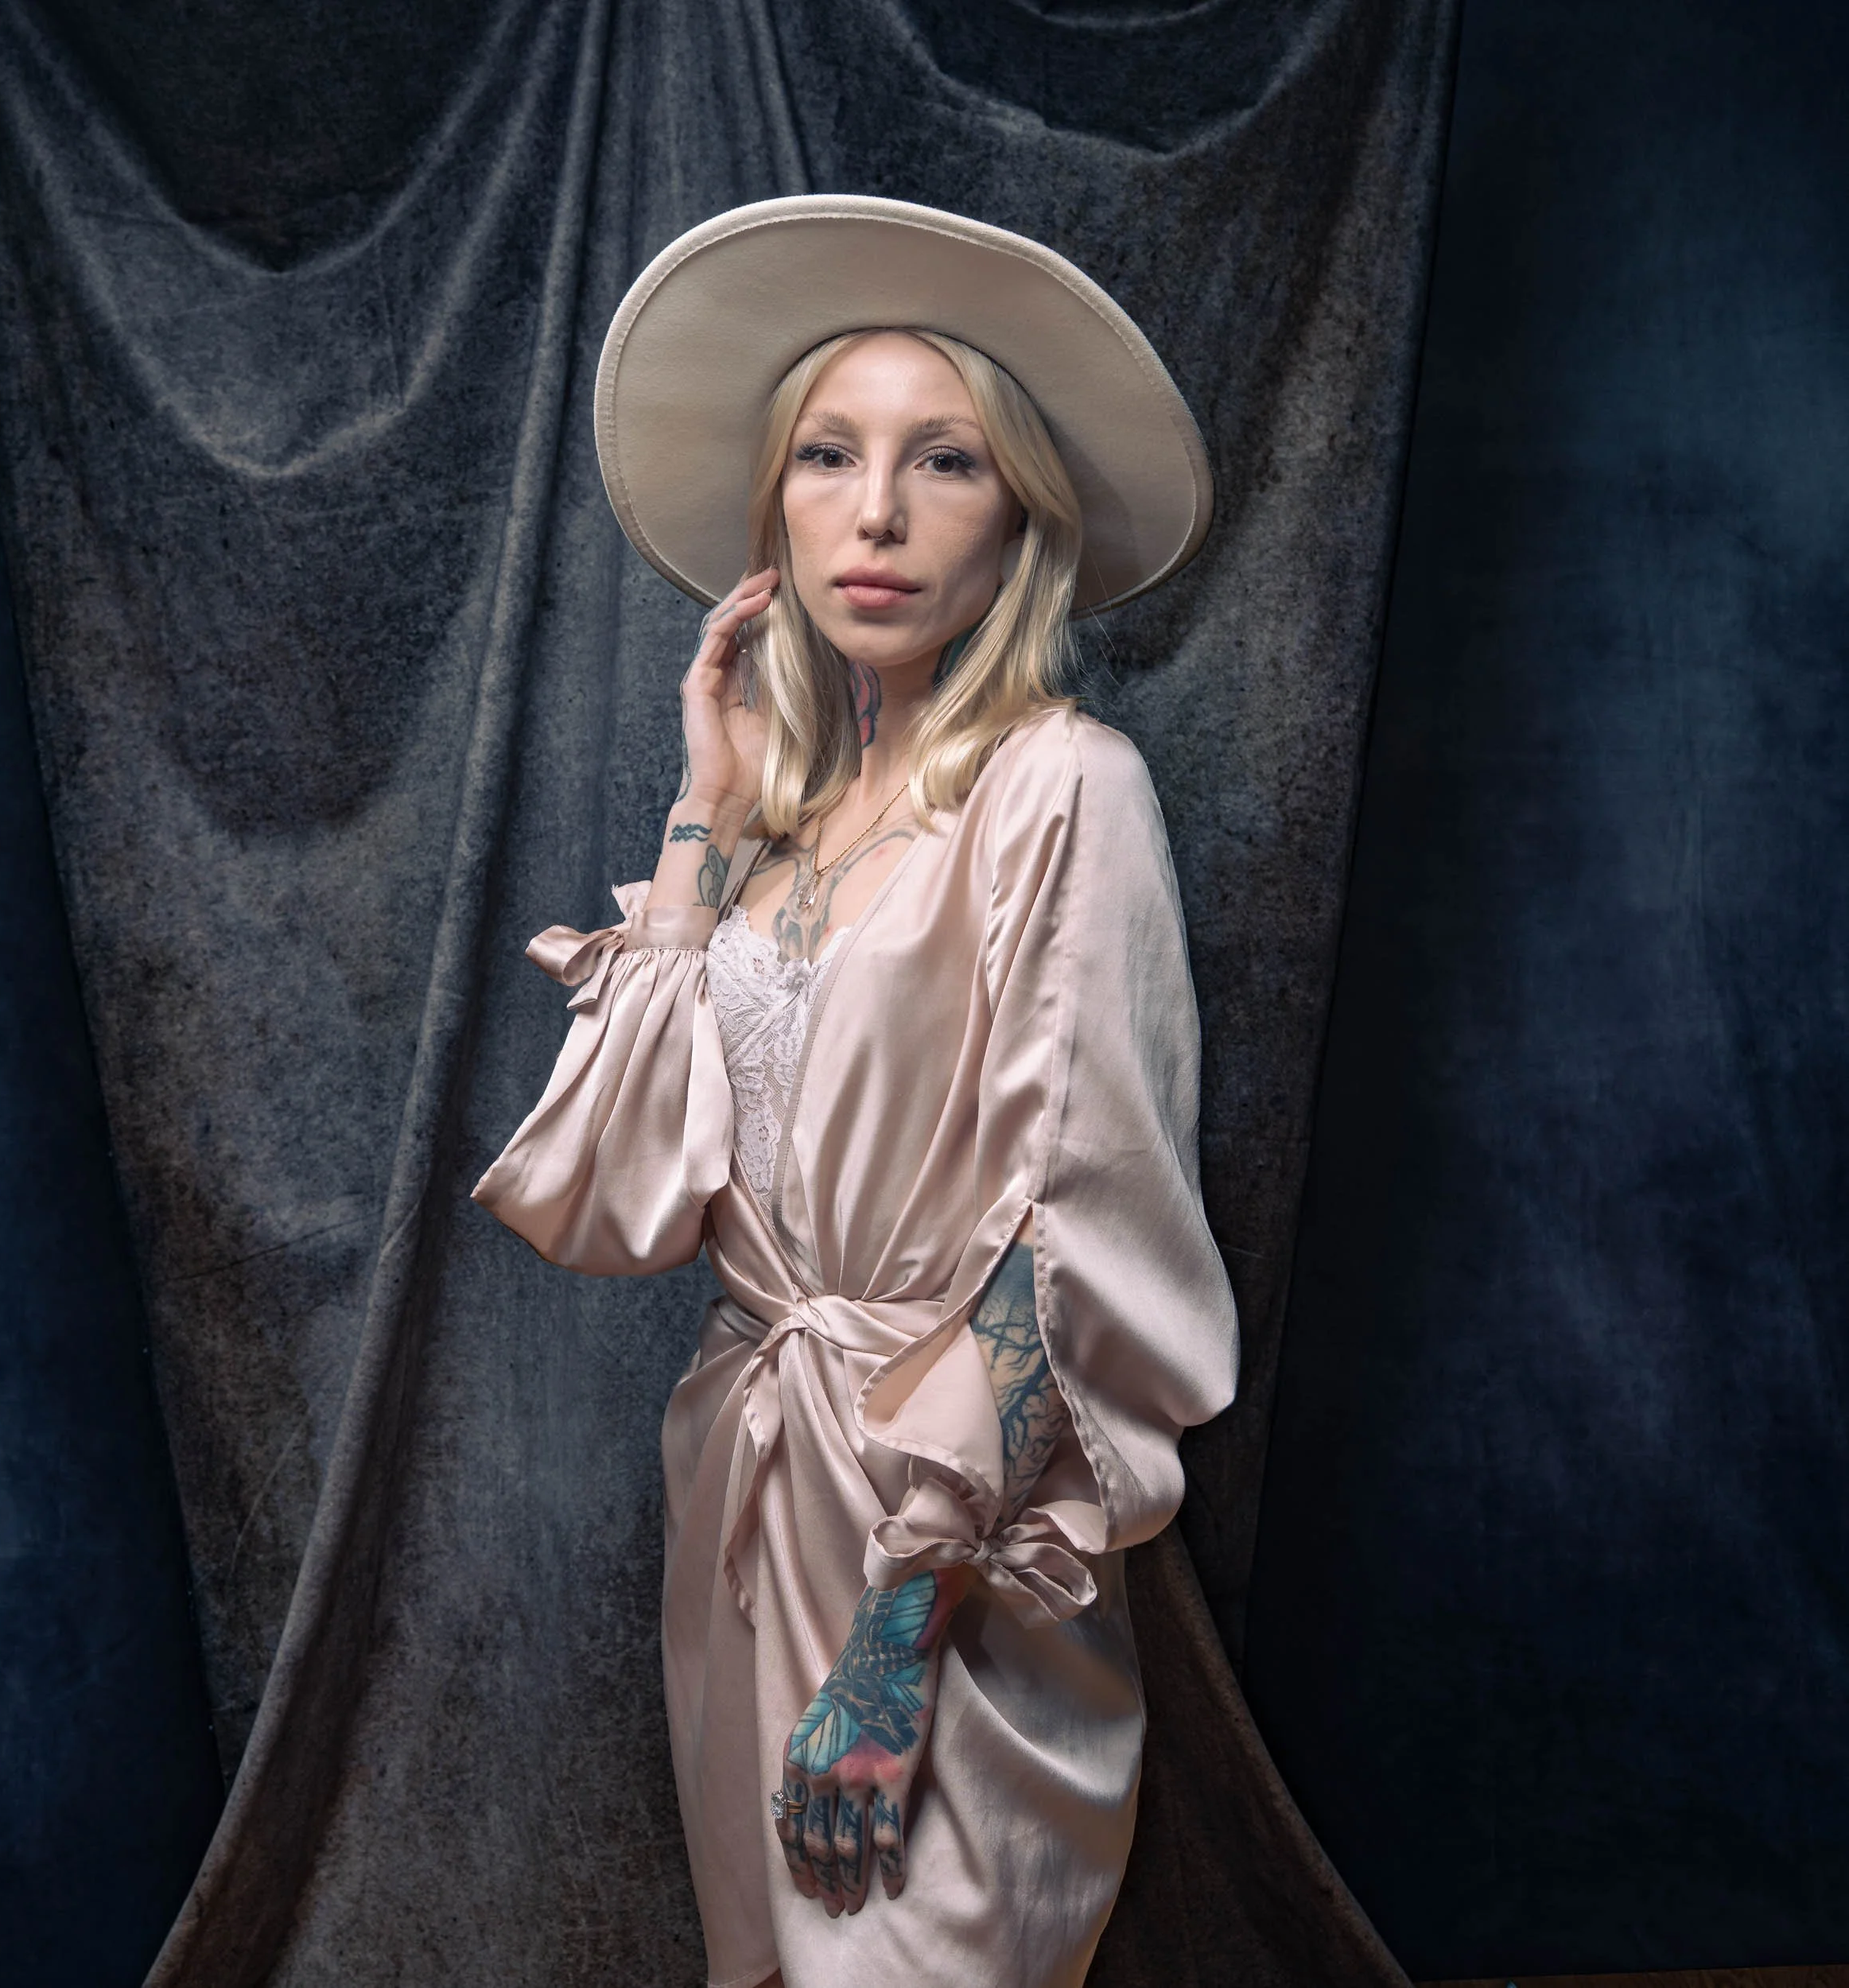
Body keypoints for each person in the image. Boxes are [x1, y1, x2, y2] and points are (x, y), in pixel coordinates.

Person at [474, 196, 1239, 1988]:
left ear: (1020, 521)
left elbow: (1076, 1223)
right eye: (829, 455)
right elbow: (614, 1192)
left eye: (943, 461)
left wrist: (901, 1626)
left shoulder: (1065, 786)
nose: (876, 511)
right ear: (776, 517)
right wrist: (704, 820)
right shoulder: (778, 826)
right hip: (743, 1494)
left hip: (939, 1536)